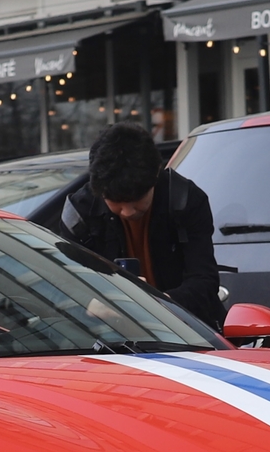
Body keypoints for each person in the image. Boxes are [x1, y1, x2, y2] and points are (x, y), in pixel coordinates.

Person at [31, 123, 224, 330]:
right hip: (105, 332)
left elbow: (204, 280)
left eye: (138, 199)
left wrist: (158, 303)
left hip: (186, 328)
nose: (128, 212)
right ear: (99, 191)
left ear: (155, 177)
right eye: (116, 202)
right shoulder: (80, 213)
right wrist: (89, 302)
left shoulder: (185, 200)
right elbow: (60, 279)